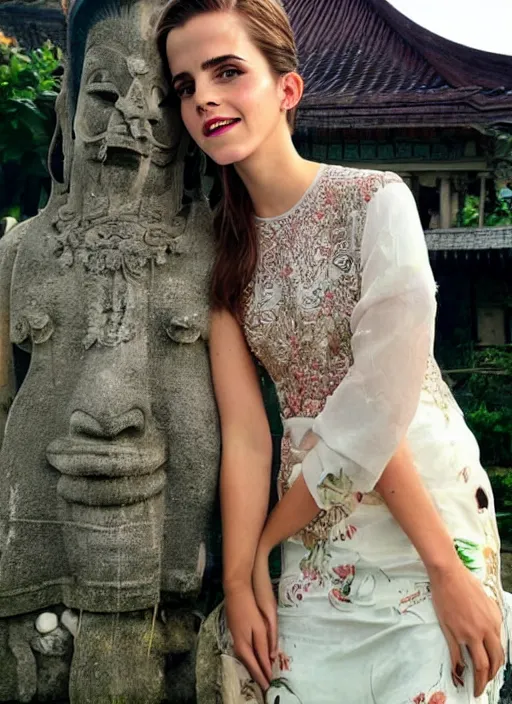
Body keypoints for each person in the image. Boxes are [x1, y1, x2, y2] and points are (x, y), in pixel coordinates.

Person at [157, 1, 510, 701]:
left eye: (227, 71)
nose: (204, 98)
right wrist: (241, 574)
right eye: (186, 85)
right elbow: (247, 435)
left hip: (422, 520)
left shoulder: (379, 202)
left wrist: (446, 571)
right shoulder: (225, 256)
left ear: (287, 89)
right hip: (314, 531)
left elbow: (377, 414)